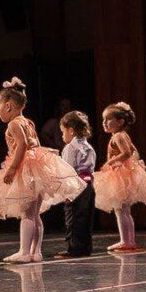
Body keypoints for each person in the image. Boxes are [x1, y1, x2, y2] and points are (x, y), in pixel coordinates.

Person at [0, 76, 85, 264]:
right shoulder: (28, 122)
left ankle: (24, 251)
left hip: (26, 170)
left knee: (27, 213)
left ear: (8, 106)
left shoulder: (14, 123)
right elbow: (34, 144)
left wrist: (12, 169)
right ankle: (36, 252)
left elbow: (22, 146)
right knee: (35, 214)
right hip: (38, 169)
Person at [91, 102, 146, 253]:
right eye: (103, 120)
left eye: (108, 120)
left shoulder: (118, 137)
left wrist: (111, 162)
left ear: (120, 122)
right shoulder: (123, 135)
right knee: (125, 211)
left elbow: (127, 153)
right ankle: (130, 240)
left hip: (119, 176)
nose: (104, 123)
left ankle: (125, 241)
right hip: (124, 174)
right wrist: (133, 164)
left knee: (120, 210)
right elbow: (134, 152)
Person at [56, 109, 97, 258]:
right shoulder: (88, 146)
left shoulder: (70, 147)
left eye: (63, 132)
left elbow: (67, 169)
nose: (62, 136)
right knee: (85, 216)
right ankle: (85, 247)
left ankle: (74, 248)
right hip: (88, 185)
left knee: (73, 216)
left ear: (71, 131)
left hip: (75, 184)